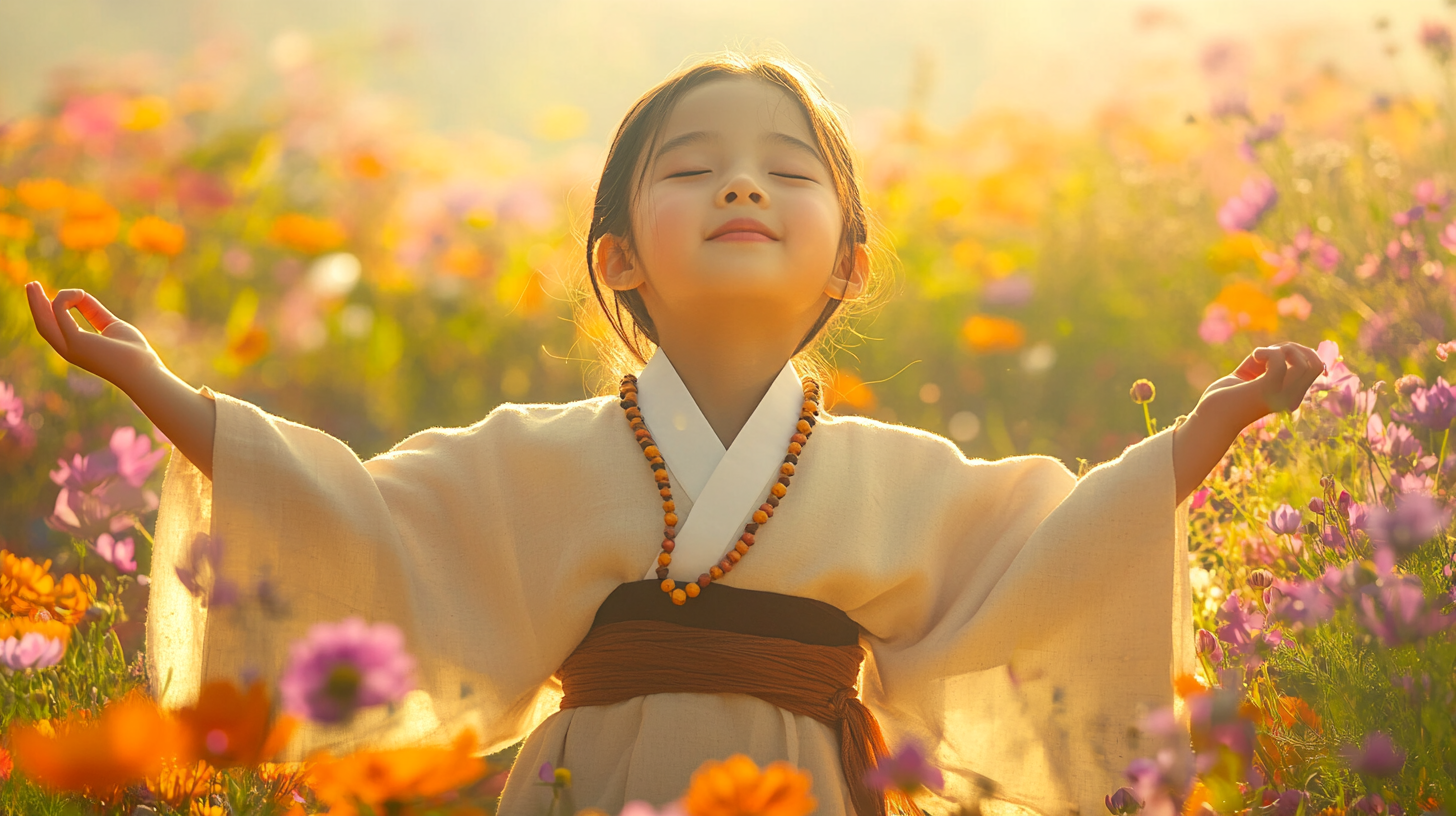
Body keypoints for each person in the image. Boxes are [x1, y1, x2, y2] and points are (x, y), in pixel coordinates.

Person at [24, 51, 1326, 816]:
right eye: (692, 167)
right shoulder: (534, 456)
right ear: (619, 257)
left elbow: (1052, 559)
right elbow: (363, 528)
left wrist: (1205, 429)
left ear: (849, 268)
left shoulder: (900, 479)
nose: (743, 184)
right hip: (586, 777)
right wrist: (158, 388)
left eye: (788, 170)